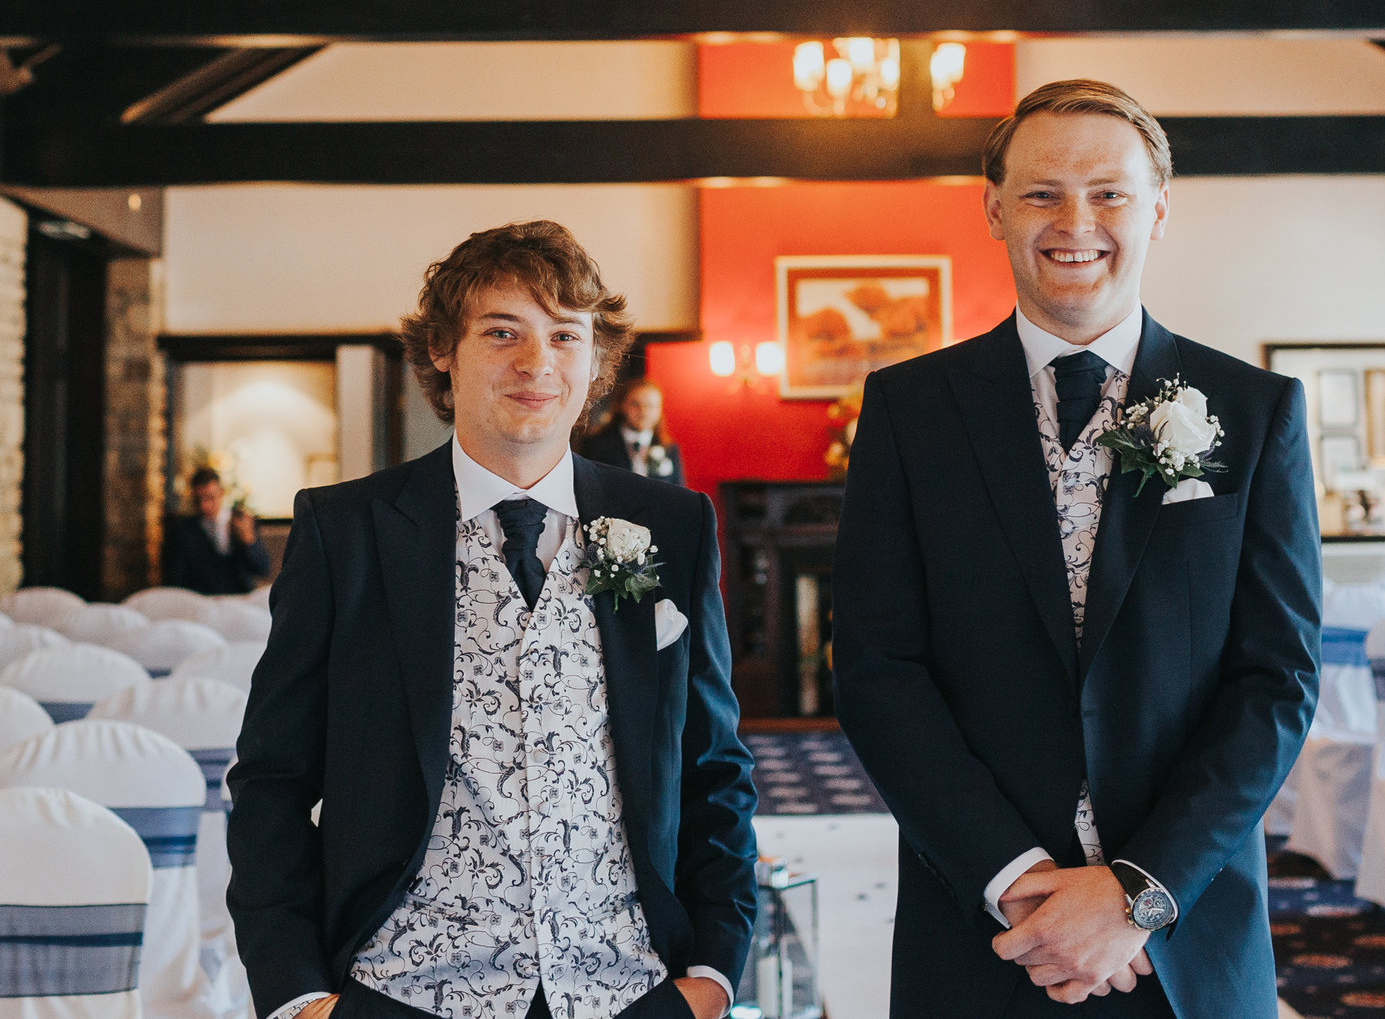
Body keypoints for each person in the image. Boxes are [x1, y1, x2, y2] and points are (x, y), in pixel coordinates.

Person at [833, 80, 1323, 1019]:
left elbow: (1277, 681)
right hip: (985, 932)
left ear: (1159, 210)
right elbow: (876, 667)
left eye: (1110, 193)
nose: (1077, 221)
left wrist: (1138, 889)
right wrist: (1018, 880)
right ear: (994, 210)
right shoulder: (910, 412)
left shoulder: (1257, 414)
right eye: (1042, 193)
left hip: (1186, 936)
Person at [230, 220, 756, 1019]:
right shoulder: (350, 532)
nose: (536, 363)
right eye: (501, 331)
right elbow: (273, 780)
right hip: (399, 990)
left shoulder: (655, 528)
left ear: (595, 361)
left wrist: (713, 974)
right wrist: (299, 994)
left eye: (564, 336)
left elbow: (711, 764)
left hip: (629, 989)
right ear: (444, 348)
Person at [165, 466, 274, 594]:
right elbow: (176, 577)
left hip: (240, 598)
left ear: (221, 493)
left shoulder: (241, 521)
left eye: (210, 497)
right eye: (198, 500)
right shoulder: (184, 530)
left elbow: (263, 569)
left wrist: (249, 541)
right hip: (202, 600)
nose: (204, 506)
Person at [580, 380, 684, 486]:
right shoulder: (597, 444)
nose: (643, 411)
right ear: (622, 405)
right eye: (636, 404)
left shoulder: (669, 448)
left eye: (651, 406)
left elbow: (679, 490)